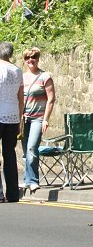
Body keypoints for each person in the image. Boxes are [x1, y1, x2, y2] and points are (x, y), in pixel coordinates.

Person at [21, 47, 56, 195]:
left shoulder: (45, 76)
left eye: (33, 57)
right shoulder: (22, 77)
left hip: (38, 119)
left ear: (38, 58)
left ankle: (33, 181)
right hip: (24, 119)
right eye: (27, 58)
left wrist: (45, 119)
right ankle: (27, 179)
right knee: (25, 152)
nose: (31, 60)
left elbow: (51, 99)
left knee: (31, 148)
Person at [0, 42, 24, 203]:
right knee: (9, 154)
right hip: (12, 117)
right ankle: (13, 194)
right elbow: (21, 98)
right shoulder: (17, 70)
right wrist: (19, 117)